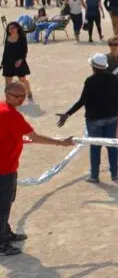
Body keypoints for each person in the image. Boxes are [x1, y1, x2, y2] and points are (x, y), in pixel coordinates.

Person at [0, 82, 75, 256]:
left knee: (7, 201)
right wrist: (61, 143)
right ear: (8, 95)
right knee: (3, 205)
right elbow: (33, 137)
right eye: (17, 96)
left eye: (23, 96)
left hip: (7, 166)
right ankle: (1, 243)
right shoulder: (11, 115)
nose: (21, 99)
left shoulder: (2, 108)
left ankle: (5, 232)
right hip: (4, 168)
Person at [57, 54, 118, 183]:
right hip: (111, 118)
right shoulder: (114, 78)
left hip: (94, 119)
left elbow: (82, 101)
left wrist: (67, 114)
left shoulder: (90, 81)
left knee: (95, 147)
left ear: (93, 66)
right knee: (112, 146)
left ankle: (94, 176)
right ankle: (115, 174)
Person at [2, 23, 32, 103]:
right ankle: (8, 99)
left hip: (19, 61)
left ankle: (29, 92)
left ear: (17, 28)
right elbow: (5, 51)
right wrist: (2, 63)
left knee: (22, 79)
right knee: (8, 81)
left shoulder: (22, 38)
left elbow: (25, 50)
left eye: (13, 28)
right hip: (8, 62)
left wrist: (20, 60)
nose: (11, 30)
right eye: (9, 28)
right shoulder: (7, 37)